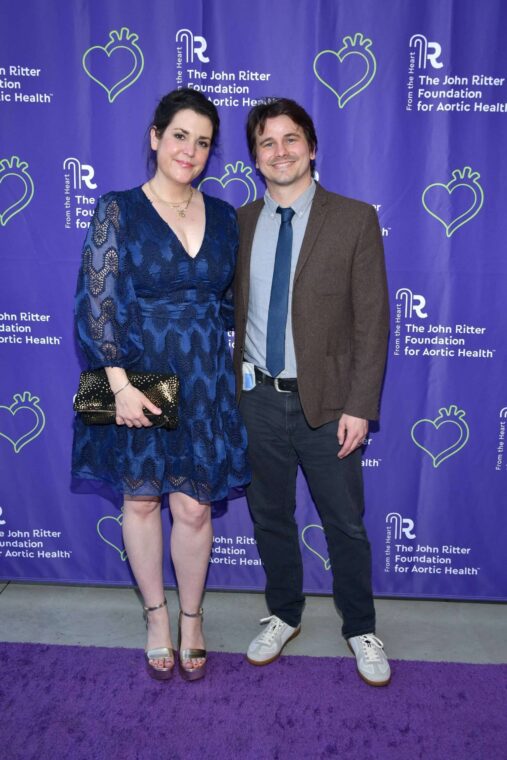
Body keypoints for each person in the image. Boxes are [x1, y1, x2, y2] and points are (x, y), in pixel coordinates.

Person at [72, 88, 249, 682]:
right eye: (180, 136)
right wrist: (117, 385)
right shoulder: (118, 208)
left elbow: (232, 305)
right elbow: (97, 303)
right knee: (142, 498)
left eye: (203, 142)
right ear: (154, 136)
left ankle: (192, 616)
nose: (190, 151)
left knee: (195, 508)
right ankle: (155, 615)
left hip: (203, 376)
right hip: (139, 369)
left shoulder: (225, 215)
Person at [233, 98, 391, 686]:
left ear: (313, 147)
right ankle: (283, 614)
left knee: (345, 522)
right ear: (254, 156)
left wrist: (360, 405)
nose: (281, 151)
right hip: (257, 399)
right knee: (269, 515)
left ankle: (361, 627)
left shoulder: (353, 218)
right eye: (268, 142)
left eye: (292, 139)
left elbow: (373, 319)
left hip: (329, 405)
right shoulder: (239, 222)